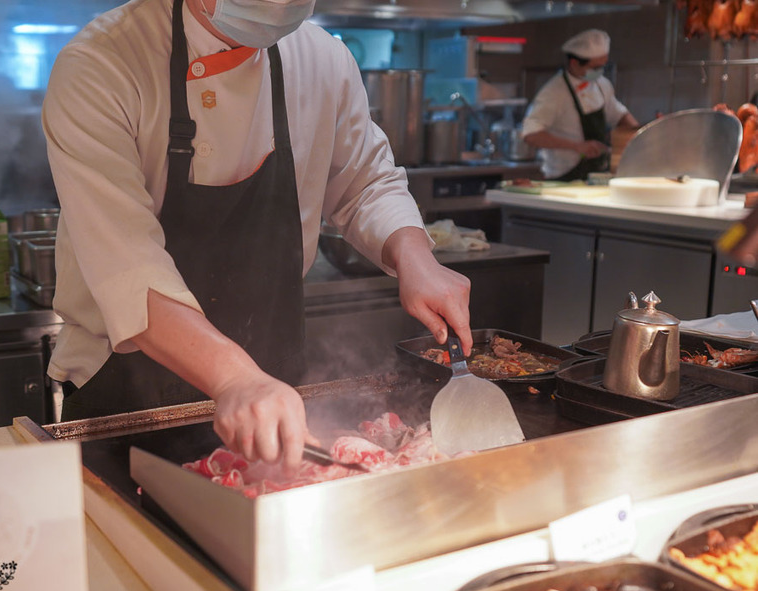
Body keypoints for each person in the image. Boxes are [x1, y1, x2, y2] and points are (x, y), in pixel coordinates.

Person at [41, 0, 473, 472]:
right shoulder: (101, 65)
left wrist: (416, 259)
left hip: (274, 393)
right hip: (132, 401)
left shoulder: (323, 59)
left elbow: (366, 180)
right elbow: (128, 266)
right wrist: (233, 378)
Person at [521, 29, 640, 181]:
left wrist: (639, 139)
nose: (600, 72)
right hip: (563, 177)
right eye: (595, 68)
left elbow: (620, 115)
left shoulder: (602, 84)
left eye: (603, 66)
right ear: (574, 63)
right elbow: (531, 135)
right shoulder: (553, 93)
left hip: (597, 175)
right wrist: (577, 146)